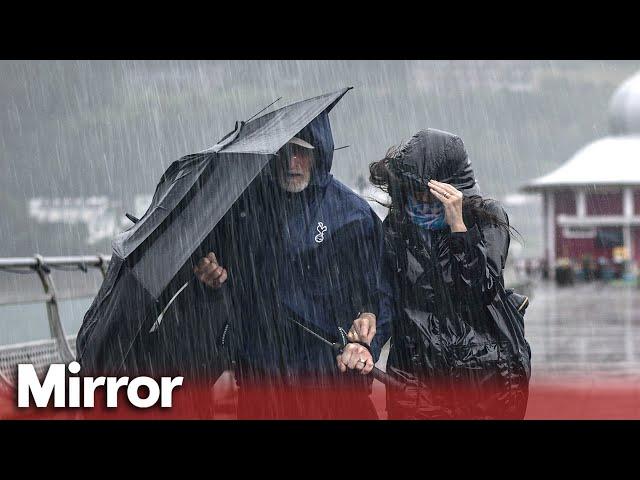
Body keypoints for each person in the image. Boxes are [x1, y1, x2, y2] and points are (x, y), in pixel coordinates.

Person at [186, 112, 391, 419]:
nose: (291, 161)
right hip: (262, 385)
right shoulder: (242, 212)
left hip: (334, 386)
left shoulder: (352, 216)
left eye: (302, 151)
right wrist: (211, 280)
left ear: (318, 154)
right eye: (284, 151)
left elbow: (378, 297)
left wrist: (366, 346)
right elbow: (220, 287)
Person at [369, 128, 531, 419]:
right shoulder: (397, 228)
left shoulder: (488, 218)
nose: (420, 200)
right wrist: (367, 346)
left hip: (482, 380)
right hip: (416, 383)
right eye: (413, 191)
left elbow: (480, 289)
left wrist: (458, 226)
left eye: (428, 192)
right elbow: (387, 300)